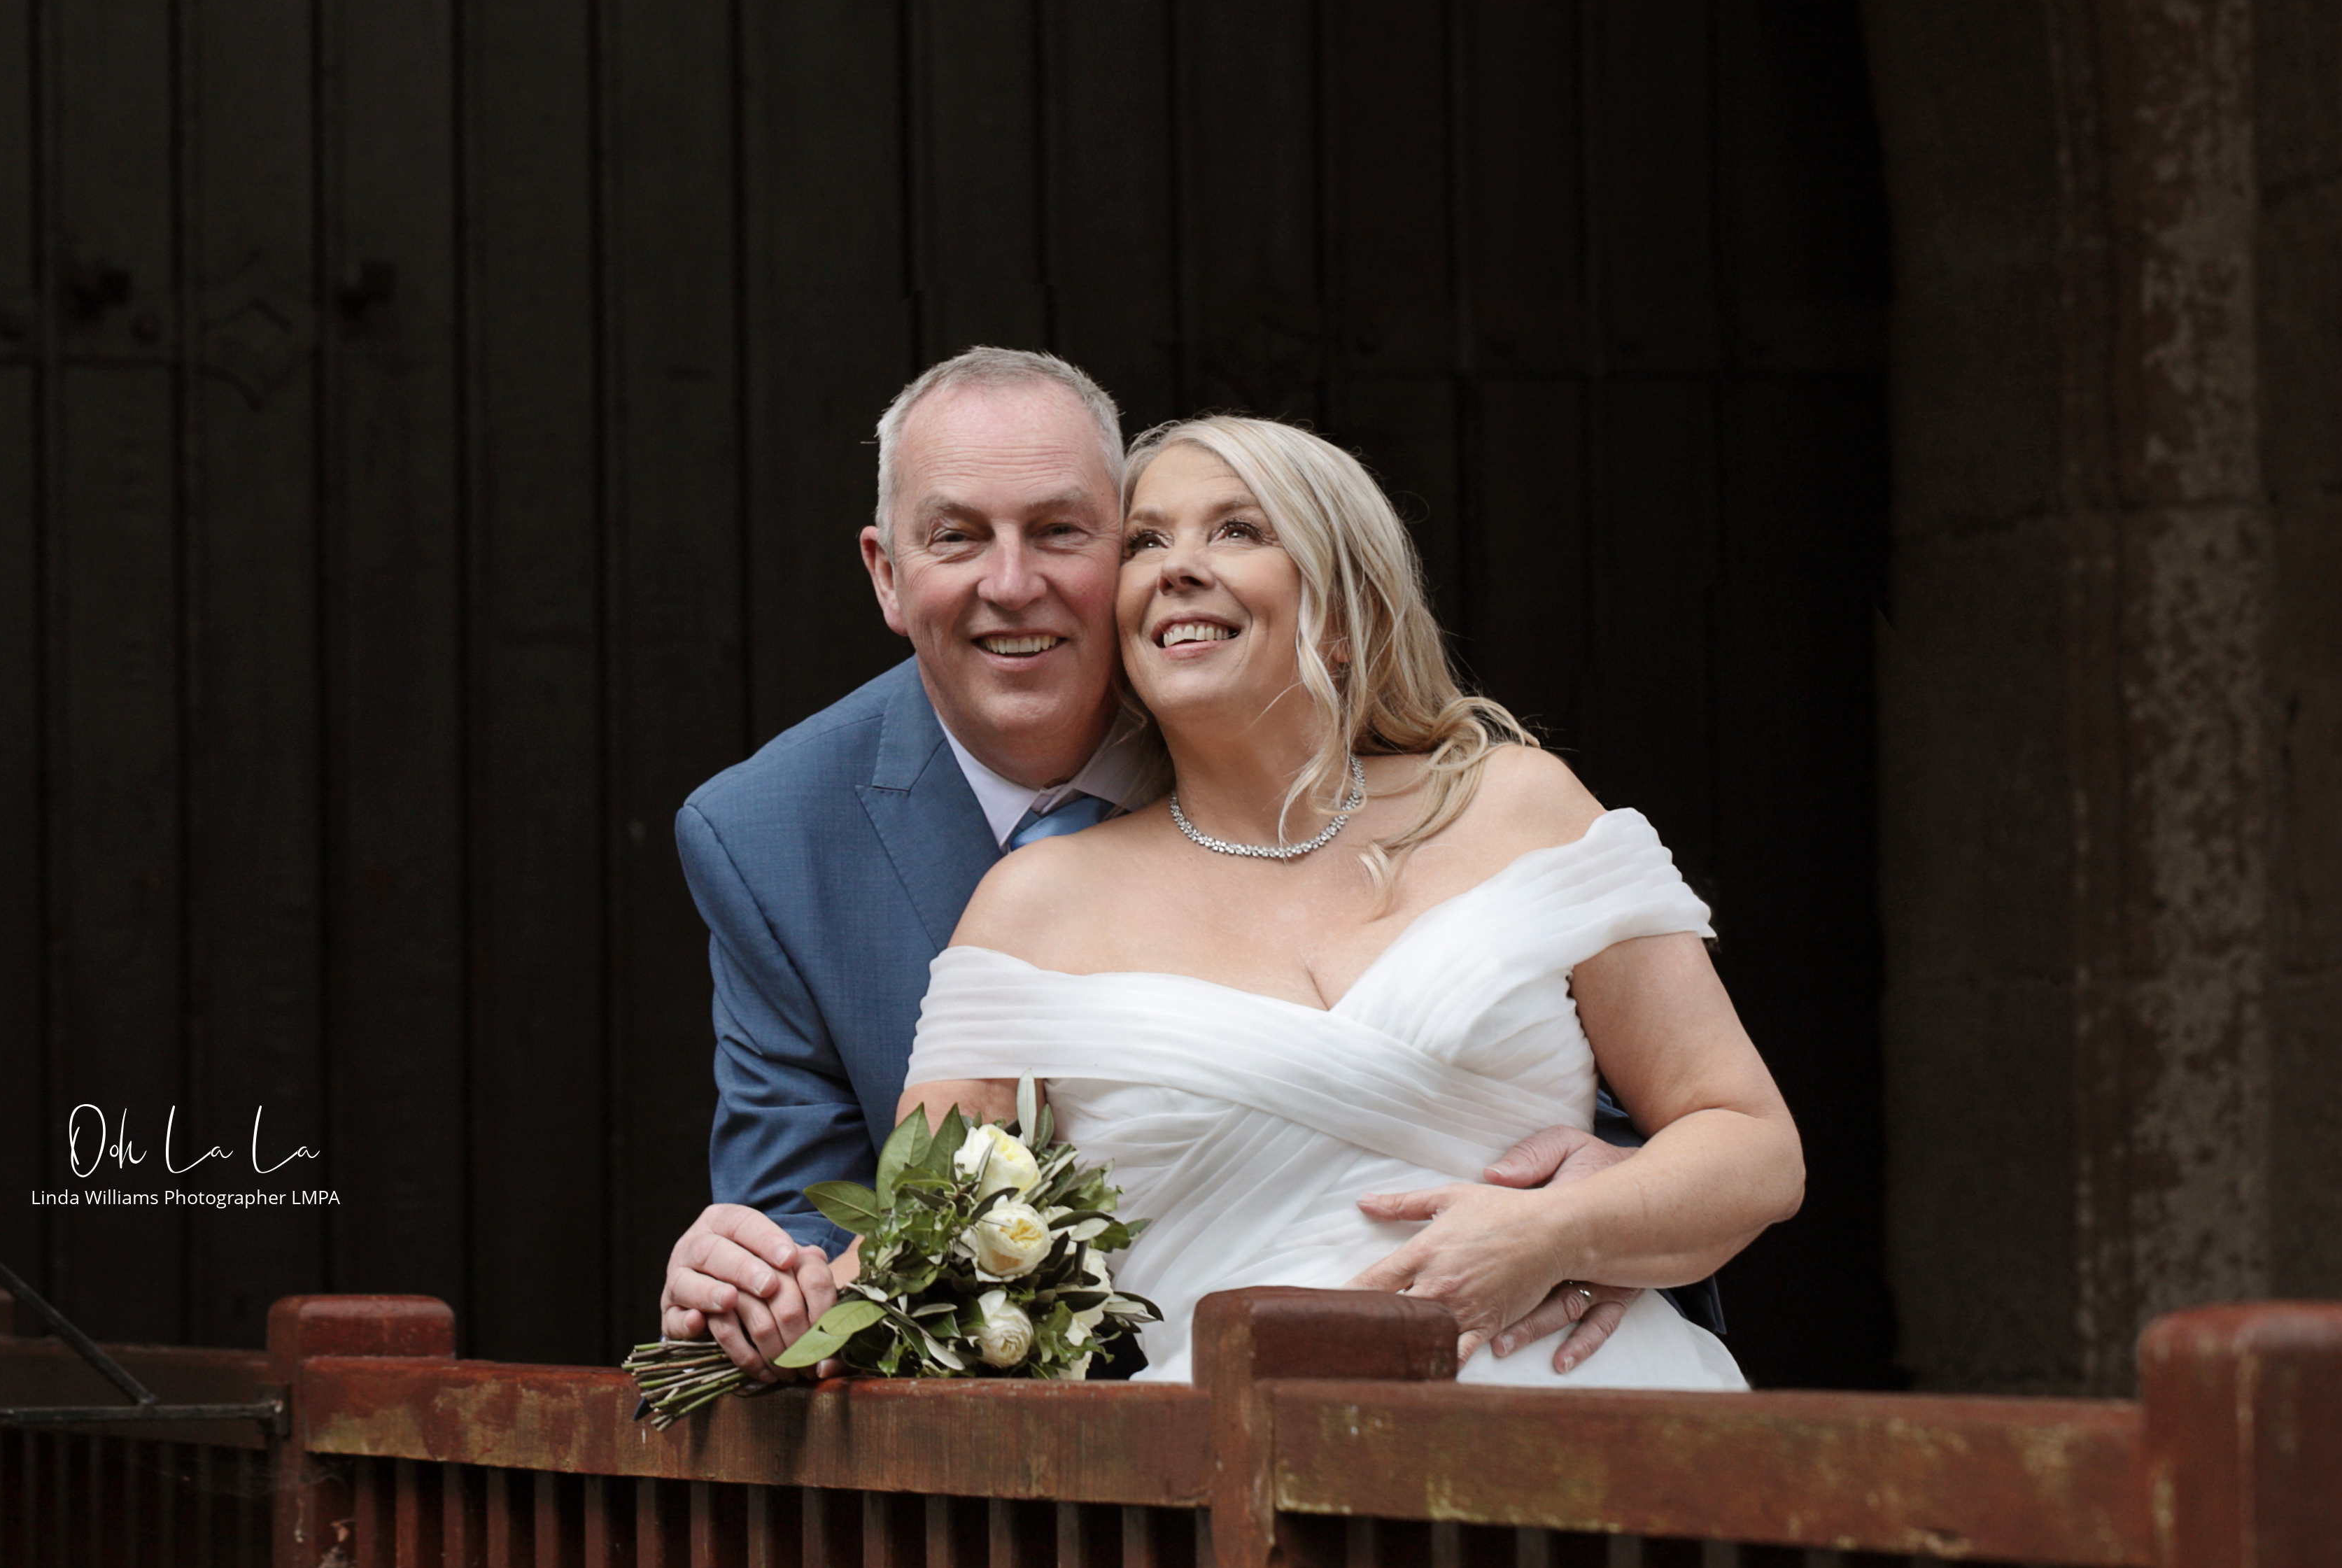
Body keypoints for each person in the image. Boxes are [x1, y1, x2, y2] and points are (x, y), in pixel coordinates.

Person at [656, 353, 1671, 1378]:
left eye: (1060, 531)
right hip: (1108, 1464)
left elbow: (1614, 1081)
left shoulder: (1323, 740)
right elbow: (821, 1238)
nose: (1012, 585)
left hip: (1546, 1348)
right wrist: (746, 1288)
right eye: (956, 536)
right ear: (885, 571)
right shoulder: (766, 835)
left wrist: (1607, 1219)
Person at [886, 412, 1800, 1385]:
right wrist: (748, 1289)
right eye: (1146, 540)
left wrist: (1555, 1231)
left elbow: (1752, 1147)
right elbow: (911, 1252)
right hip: (1242, 1472)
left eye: (1238, 530)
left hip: (1604, 1424)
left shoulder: (1517, 805)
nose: (1176, 566)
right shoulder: (1032, 907)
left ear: (1340, 611)